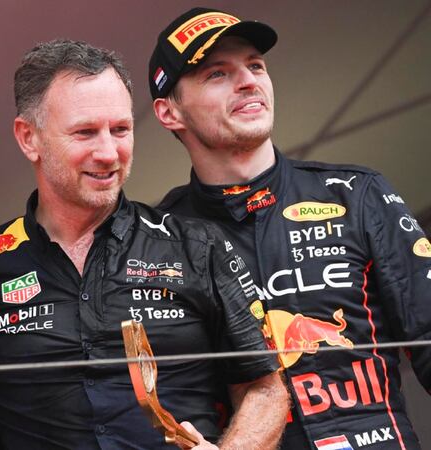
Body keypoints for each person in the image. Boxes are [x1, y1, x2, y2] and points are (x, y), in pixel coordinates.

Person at [0, 39, 288, 449]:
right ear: (28, 138)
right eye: (85, 132)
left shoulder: (196, 247)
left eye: (120, 129)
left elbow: (265, 389)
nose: (108, 153)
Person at [150, 7, 431, 449]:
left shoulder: (357, 194)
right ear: (169, 112)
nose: (249, 81)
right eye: (217, 73)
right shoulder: (157, 240)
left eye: (255, 65)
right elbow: (164, 395)